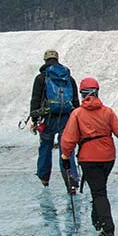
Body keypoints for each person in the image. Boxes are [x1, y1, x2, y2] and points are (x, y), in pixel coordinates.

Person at [59, 77, 118, 236]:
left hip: (88, 158)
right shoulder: (107, 112)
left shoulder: (77, 114)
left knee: (98, 192)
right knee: (99, 189)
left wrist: (65, 157)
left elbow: (68, 139)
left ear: (82, 94)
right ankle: (97, 220)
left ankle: (107, 228)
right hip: (107, 157)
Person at [29, 50, 77, 187]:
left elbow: (35, 99)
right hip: (66, 119)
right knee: (67, 150)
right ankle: (71, 181)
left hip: (47, 119)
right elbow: (75, 101)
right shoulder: (68, 78)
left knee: (45, 147)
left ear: (45, 60)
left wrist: (34, 118)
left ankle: (44, 178)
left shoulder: (41, 78)